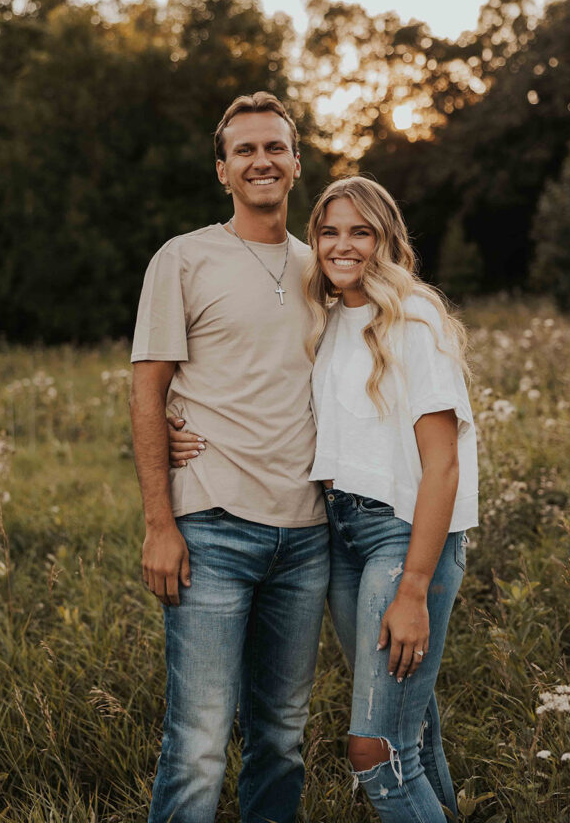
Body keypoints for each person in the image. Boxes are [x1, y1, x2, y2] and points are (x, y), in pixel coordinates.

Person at [171, 176, 478, 822]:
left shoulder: (413, 320)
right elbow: (254, 389)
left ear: (385, 240)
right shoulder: (328, 317)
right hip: (339, 533)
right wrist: (176, 429)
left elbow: (443, 467)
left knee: (374, 752)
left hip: (402, 535)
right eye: (329, 232)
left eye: (359, 232)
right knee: (411, 730)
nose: (342, 246)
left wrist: (414, 588)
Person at [129, 92, 329, 823]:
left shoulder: (324, 269)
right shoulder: (183, 258)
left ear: (296, 163)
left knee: (282, 737)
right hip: (211, 526)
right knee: (200, 741)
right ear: (222, 170)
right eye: (243, 150)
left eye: (274, 147)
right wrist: (160, 521)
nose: (260, 161)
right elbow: (147, 390)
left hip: (308, 536)